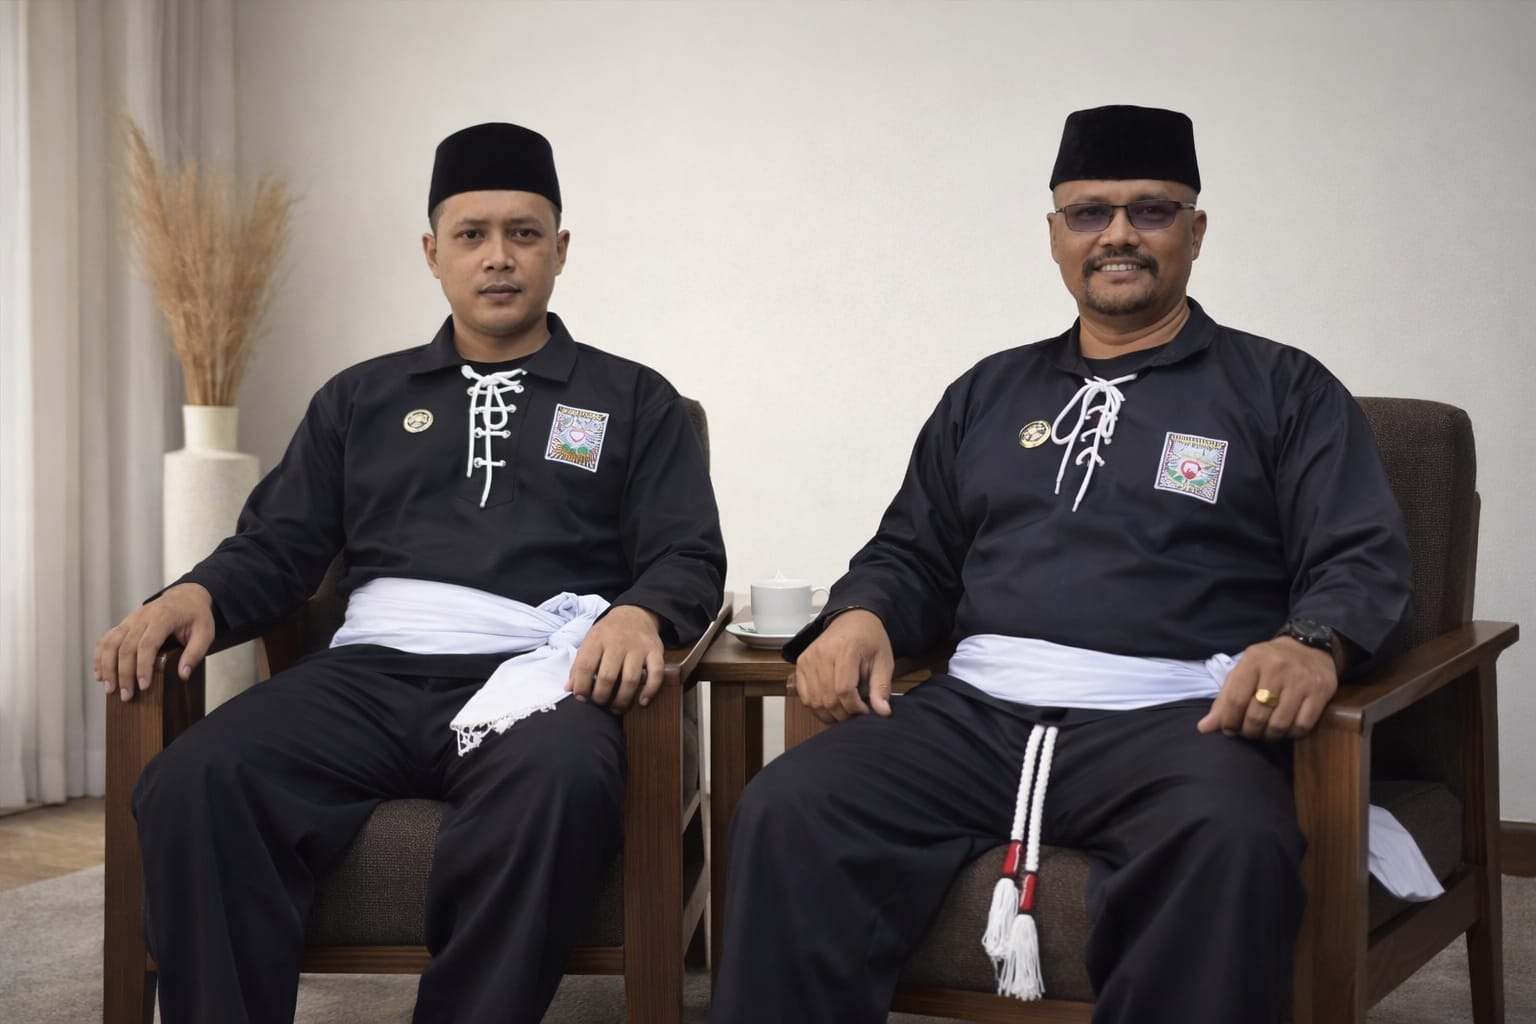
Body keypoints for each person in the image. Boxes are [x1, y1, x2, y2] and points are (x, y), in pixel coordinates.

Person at [709, 105, 1412, 1024]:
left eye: (1150, 210)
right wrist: (861, 615)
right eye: (1089, 212)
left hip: (1179, 720)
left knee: (1231, 838)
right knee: (791, 804)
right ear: (1055, 235)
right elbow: (912, 551)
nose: (1117, 234)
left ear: (1196, 230)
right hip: (976, 715)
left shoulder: (1284, 389)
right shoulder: (989, 391)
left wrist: (1311, 643)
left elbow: (1358, 555)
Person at [95, 122, 726, 1024]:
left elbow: (687, 553)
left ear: (560, 250)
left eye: (523, 233)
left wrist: (640, 615)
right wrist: (196, 592)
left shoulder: (633, 399)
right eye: (472, 234)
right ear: (433, 254)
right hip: (369, 675)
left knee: (564, 779)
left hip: (541, 680)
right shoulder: (361, 397)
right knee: (196, 779)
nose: (498, 256)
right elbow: (278, 545)